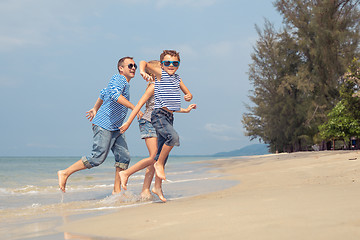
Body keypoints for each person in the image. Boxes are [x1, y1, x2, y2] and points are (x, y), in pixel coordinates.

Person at [57, 57, 141, 194]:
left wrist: (95, 108)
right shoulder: (119, 79)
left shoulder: (124, 83)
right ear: (121, 68)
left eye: (135, 66)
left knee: (124, 157)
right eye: (130, 65)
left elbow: (104, 92)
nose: (133, 68)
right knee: (97, 158)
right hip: (104, 124)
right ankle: (65, 173)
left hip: (115, 127)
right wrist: (133, 106)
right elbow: (113, 95)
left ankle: (116, 191)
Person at [119, 60, 196, 202]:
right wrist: (128, 122)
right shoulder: (153, 86)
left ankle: (147, 190)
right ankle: (127, 174)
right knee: (155, 156)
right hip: (148, 122)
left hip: (160, 123)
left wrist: (185, 110)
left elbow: (168, 107)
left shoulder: (165, 87)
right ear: (154, 73)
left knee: (159, 158)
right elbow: (139, 105)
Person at [138, 50, 194, 182]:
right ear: (160, 67)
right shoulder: (158, 80)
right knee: (157, 155)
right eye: (166, 63)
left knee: (160, 156)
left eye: (175, 63)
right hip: (153, 118)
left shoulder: (174, 80)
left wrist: (188, 100)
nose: (171, 65)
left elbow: (174, 104)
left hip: (166, 118)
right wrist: (142, 71)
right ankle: (132, 175)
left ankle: (155, 187)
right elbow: (143, 63)